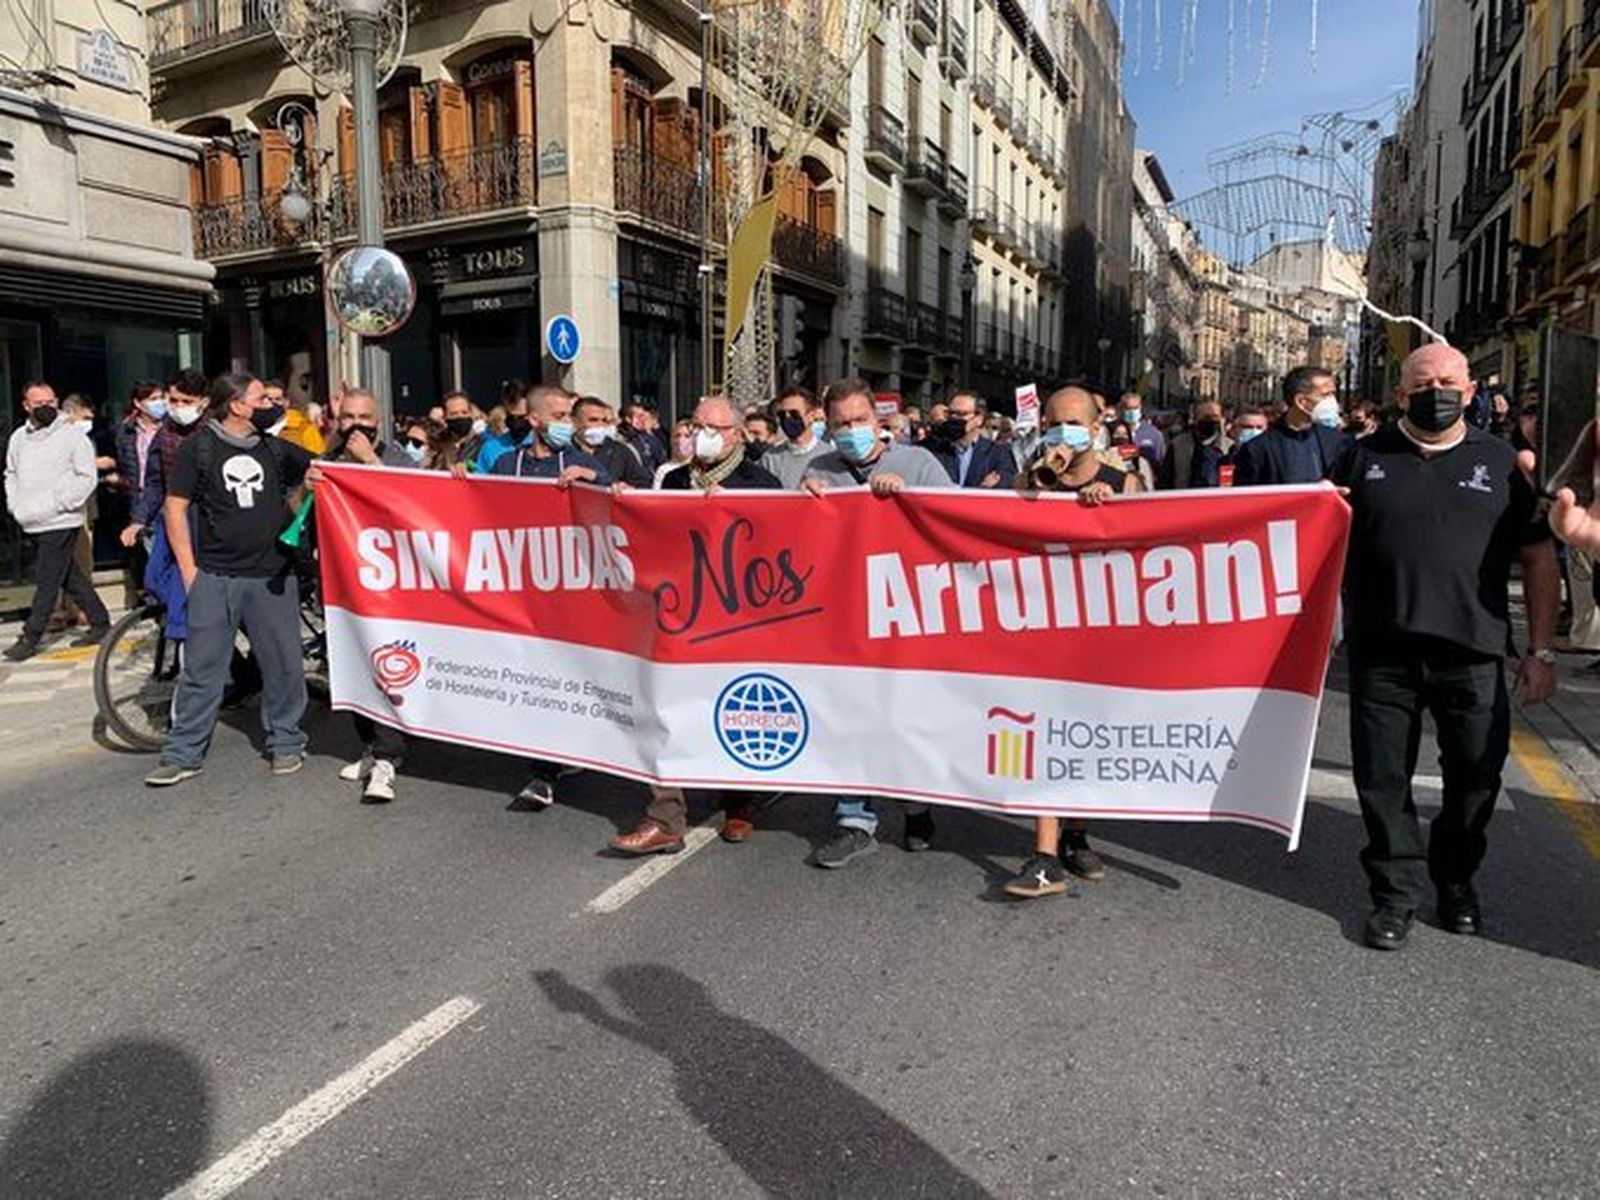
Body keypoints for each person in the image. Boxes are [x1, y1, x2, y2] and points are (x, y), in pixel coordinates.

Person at [1333, 344, 1559, 950]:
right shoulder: (1359, 458)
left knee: (1477, 780)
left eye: (1450, 381)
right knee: (1381, 780)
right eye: (1424, 382)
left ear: (1469, 389)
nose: (1439, 390)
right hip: (1383, 656)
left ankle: (1455, 880)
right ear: (1402, 394)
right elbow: (1311, 539)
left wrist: (1541, 652)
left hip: (1475, 654)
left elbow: (1539, 557)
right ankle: (1394, 896)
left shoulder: (1504, 461)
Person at [610, 396, 783, 856]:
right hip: (678, 615)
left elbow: (775, 553)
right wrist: (626, 504)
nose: (700, 433)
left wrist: (734, 514)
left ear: (736, 435)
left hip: (735, 621)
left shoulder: (760, 483)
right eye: (695, 424)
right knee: (667, 710)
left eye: (712, 427)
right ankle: (665, 817)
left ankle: (739, 803)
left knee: (733, 709)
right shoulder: (674, 478)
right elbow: (652, 534)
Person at [801, 379, 951, 867]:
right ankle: (854, 820)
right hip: (845, 618)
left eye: (859, 420)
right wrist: (806, 502)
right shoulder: (818, 469)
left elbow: (955, 523)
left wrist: (909, 500)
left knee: (906, 718)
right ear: (827, 426)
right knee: (848, 717)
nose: (851, 430)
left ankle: (916, 806)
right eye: (841, 423)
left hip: (907, 611)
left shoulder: (918, 463)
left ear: (878, 421)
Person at [1000, 386, 1138, 898]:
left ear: (1096, 426)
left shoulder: (1123, 482)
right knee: (1044, 735)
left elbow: (1146, 551)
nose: (1062, 433)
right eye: (1054, 423)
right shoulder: (1026, 481)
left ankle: (1077, 834)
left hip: (1098, 633)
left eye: (1073, 423)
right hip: (1040, 631)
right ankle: (1043, 855)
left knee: (1088, 737)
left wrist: (1111, 509)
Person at [144, 374, 313, 786]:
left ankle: (287, 741)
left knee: (284, 666)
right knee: (202, 670)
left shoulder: (276, 449)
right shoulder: (197, 449)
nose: (272, 403)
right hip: (215, 577)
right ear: (237, 405)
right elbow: (174, 507)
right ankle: (184, 753)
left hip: (272, 576)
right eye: (262, 397)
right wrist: (189, 572)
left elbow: (323, 470)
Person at [488, 384, 611, 808]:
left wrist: (594, 478)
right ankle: (545, 765)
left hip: (568, 591)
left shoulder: (578, 460)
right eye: (558, 416)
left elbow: (617, 495)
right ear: (535, 420)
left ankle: (555, 761)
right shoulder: (508, 463)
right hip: (521, 590)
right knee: (533, 674)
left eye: (569, 415)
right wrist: (461, 482)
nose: (567, 423)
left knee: (567, 674)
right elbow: (474, 508)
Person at [319, 389, 415, 802]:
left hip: (388, 588)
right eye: (348, 417)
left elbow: (411, 505)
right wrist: (308, 489)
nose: (357, 424)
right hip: (342, 587)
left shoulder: (397, 459)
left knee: (385, 668)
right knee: (353, 669)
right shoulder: (328, 460)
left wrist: (371, 465)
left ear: (380, 420)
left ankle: (388, 759)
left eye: (365, 416)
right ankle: (372, 746)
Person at [3, 381, 111, 661]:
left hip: (61, 519)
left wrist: (63, 503)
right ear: (26, 406)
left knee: (47, 578)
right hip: (31, 517)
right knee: (69, 575)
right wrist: (16, 505)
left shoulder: (72, 436)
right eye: (39, 404)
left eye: (50, 402)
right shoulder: (18, 438)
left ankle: (31, 636)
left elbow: (86, 476)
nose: (46, 408)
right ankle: (100, 621)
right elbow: (10, 474)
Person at [1232, 367, 1349, 487]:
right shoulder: (1258, 449)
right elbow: (1246, 498)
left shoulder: (1337, 441)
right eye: (1326, 395)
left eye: (1333, 394)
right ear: (1301, 401)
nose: (1333, 401)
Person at [928, 391, 1016, 488]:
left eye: (961, 414)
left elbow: (1004, 483)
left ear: (979, 419)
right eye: (950, 413)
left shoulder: (998, 453)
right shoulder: (934, 450)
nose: (954, 418)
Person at [574, 395, 652, 488]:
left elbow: (644, 484)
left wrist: (630, 488)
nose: (600, 425)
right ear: (575, 421)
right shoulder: (565, 451)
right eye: (593, 420)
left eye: (604, 420)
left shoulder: (620, 451)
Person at [1158, 398, 1233, 489]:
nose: (1211, 421)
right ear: (1196, 419)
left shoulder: (1230, 447)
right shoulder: (1178, 445)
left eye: (1215, 416)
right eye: (1206, 417)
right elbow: (1165, 481)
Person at [765, 387, 829, 489]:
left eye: (794, 414)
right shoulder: (769, 459)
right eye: (782, 415)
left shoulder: (830, 455)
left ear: (811, 416)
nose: (787, 418)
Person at [474, 385, 534, 473]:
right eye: (511, 417)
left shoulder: (544, 448)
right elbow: (479, 482)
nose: (516, 423)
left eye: (521, 417)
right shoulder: (490, 448)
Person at [266, 373, 327, 456]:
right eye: (269, 399)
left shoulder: (304, 427)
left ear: (286, 402)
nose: (273, 403)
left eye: (278, 399)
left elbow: (318, 457)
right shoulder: (256, 426)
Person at [432, 391, 482, 471]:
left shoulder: (482, 444)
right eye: (454, 414)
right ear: (445, 417)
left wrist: (469, 466)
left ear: (471, 414)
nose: (460, 416)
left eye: (464, 412)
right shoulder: (437, 445)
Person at [1119, 391, 1167, 468]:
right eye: (1128, 408)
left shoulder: (1154, 434)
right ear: (1122, 409)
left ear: (1140, 408)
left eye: (1135, 408)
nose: (1132, 412)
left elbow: (1160, 461)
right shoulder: (1114, 431)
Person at [620, 398, 667, 473]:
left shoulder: (651, 438)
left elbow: (661, 460)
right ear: (628, 419)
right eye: (639, 416)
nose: (643, 419)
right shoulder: (619, 437)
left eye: (643, 415)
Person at [652, 418, 696, 488]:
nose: (681, 440)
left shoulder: (699, 470)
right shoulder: (663, 470)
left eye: (687, 436)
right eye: (677, 436)